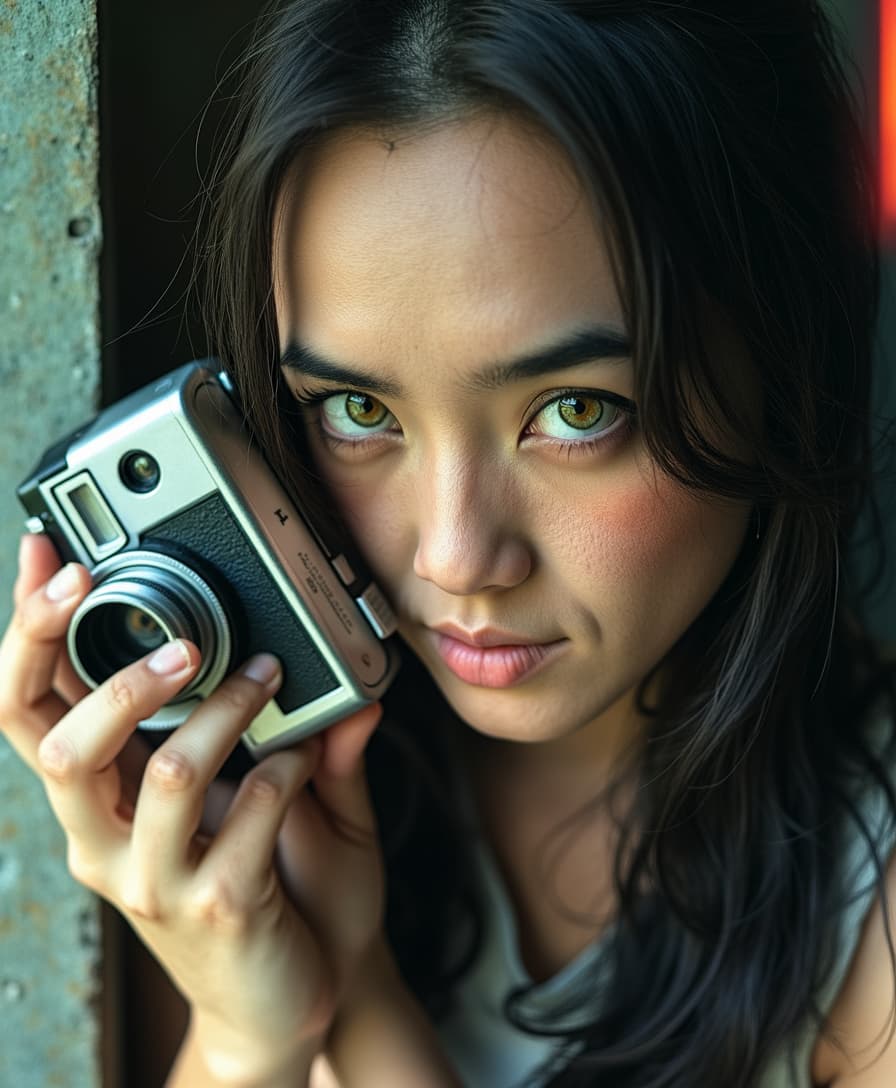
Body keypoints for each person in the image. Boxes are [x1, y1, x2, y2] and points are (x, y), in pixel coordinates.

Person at [2, 0, 896, 1085]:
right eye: (356, 413)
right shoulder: (232, 809)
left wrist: (356, 1002)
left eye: (574, 411)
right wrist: (250, 1036)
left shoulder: (869, 897)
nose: (456, 558)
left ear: (780, 360)